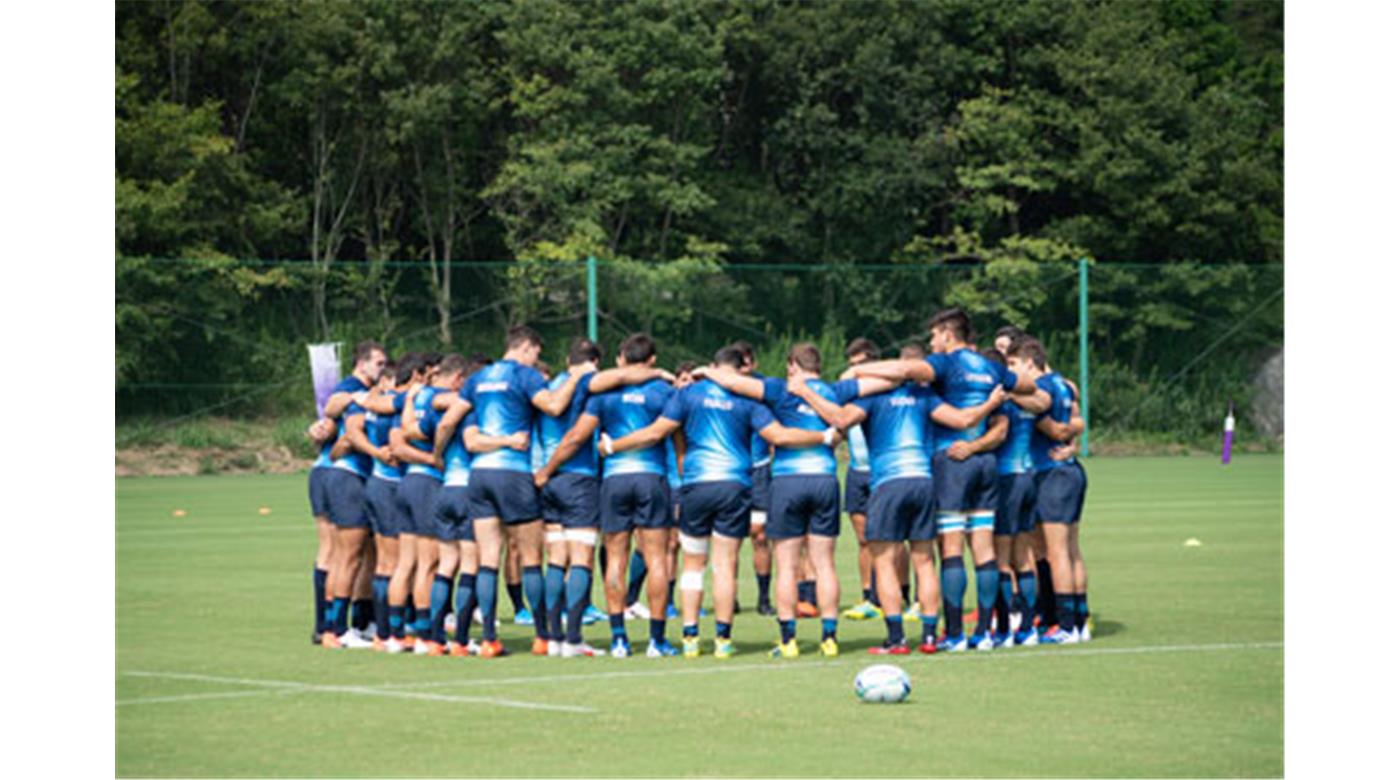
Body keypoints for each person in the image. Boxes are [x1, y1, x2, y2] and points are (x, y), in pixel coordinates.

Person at [601, 346, 835, 659]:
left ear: (714, 365)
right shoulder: (748, 399)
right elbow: (779, 436)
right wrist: (822, 438)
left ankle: (690, 637)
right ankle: (723, 640)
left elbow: (659, 432)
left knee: (693, 564)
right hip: (734, 487)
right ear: (741, 371)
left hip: (696, 486)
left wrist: (614, 446)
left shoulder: (688, 395)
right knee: (725, 566)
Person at [697, 343, 889, 658]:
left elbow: (733, 382)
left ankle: (788, 641)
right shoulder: (837, 390)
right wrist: (864, 371)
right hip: (826, 481)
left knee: (786, 565)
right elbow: (885, 382)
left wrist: (706, 371)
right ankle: (829, 638)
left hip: (787, 483)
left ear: (792, 366)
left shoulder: (778, 389)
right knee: (825, 562)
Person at [798, 365, 1006, 655]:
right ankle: (931, 637)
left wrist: (805, 391)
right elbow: (963, 419)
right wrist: (992, 404)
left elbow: (838, 418)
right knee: (924, 562)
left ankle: (896, 639)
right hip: (924, 482)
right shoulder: (924, 396)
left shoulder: (873, 397)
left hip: (888, 485)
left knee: (884, 562)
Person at [430, 326, 593, 657]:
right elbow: (553, 407)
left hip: (479, 475)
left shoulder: (478, 379)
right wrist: (576, 377)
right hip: (513, 473)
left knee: (488, 558)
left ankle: (489, 638)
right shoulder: (525, 376)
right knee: (531, 557)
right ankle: (543, 635)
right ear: (528, 348)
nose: (536, 359)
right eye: (536, 352)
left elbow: (448, 422)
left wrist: (436, 457)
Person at [538, 333, 681, 657]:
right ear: (653, 360)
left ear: (620, 360)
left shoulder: (604, 392)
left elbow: (578, 434)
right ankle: (657, 641)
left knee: (614, 557)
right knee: (657, 557)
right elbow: (672, 436)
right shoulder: (664, 390)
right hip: (651, 477)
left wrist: (548, 468)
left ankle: (619, 639)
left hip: (614, 481)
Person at [1008, 337, 1089, 645]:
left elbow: (1054, 427)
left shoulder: (1042, 387)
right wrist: (1073, 435)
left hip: (1052, 474)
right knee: (1069, 550)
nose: (1011, 370)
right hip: (1069, 472)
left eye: (1014, 364)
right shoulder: (1065, 385)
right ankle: (1079, 621)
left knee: (1057, 552)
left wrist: (1010, 395)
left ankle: (1065, 625)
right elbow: (1074, 421)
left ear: (1030, 363)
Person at [531, 338, 606, 657]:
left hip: (550, 485)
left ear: (566, 360)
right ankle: (573, 639)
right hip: (578, 479)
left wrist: (544, 470)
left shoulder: (550, 386)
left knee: (556, 559)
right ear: (596, 362)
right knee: (581, 558)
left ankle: (553, 637)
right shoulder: (588, 384)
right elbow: (576, 438)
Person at [316, 342, 388, 649]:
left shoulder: (370, 395)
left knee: (349, 555)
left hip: (338, 474)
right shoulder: (354, 387)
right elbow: (333, 408)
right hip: (345, 476)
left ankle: (344, 624)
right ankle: (336, 628)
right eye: (379, 364)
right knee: (348, 555)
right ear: (362, 363)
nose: (383, 369)